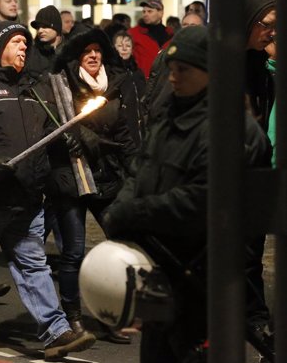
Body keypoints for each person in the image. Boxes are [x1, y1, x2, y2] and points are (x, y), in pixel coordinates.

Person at [101, 26, 271, 362]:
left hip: (204, 280)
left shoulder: (232, 129)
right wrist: (122, 206)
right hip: (161, 273)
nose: (173, 78)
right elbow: (141, 168)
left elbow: (201, 201)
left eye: (184, 70)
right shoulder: (170, 116)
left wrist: (135, 214)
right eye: (171, 70)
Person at [0, 21, 96, 360]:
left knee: (33, 265)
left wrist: (64, 143)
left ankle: (55, 331)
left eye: (26, 42)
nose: (24, 47)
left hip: (26, 199)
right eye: (16, 42)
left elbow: (46, 138)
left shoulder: (35, 88)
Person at [49, 28, 138, 344]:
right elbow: (49, 128)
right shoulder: (60, 85)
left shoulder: (115, 84)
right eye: (86, 50)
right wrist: (70, 137)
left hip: (107, 174)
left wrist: (134, 172)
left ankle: (109, 314)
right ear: (76, 57)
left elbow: (126, 135)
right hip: (73, 177)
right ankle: (73, 318)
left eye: (97, 50)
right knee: (73, 252)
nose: (93, 55)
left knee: (117, 245)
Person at [243, 0, 277, 342]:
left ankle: (254, 317)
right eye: (267, 24)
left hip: (255, 172)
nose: (272, 32)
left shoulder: (260, 65)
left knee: (252, 251)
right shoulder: (215, 62)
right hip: (219, 176)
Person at [113, 30, 146, 147]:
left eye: (128, 46)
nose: (124, 49)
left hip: (140, 123)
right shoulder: (112, 72)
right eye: (120, 46)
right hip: (123, 126)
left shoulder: (137, 72)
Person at [128, 0, 174, 78]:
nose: (145, 14)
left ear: (160, 13)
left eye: (150, 11)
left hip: (165, 81)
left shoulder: (171, 34)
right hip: (143, 80)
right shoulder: (133, 33)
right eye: (144, 12)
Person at [26, 4, 63, 77]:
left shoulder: (70, 52)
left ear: (56, 27)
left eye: (45, 26)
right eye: (38, 27)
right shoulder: (31, 53)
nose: (40, 30)